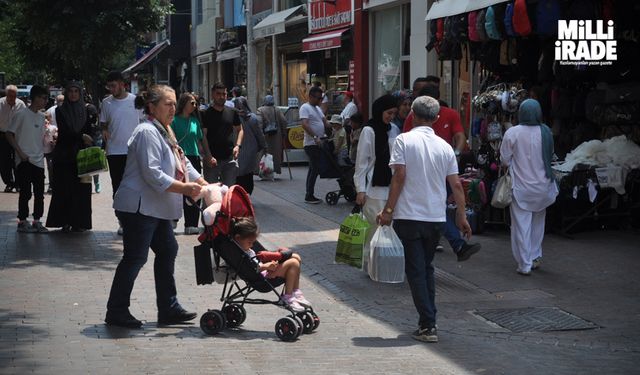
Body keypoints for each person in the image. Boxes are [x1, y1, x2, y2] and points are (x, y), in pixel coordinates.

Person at [105, 85, 207, 329]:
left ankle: (168, 308)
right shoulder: (146, 132)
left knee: (167, 250)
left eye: (174, 103)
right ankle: (117, 311)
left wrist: (202, 181)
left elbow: (181, 162)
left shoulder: (164, 129)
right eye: (167, 104)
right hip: (139, 208)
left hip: (156, 208)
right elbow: (153, 173)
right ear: (152, 106)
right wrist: (185, 189)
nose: (173, 108)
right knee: (135, 258)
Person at [377, 95, 472, 343]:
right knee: (426, 268)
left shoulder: (403, 141)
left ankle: (428, 324)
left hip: (409, 217)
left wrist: (388, 211)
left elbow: (398, 177)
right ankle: (429, 320)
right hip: (436, 218)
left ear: (412, 116)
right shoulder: (445, 147)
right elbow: (457, 186)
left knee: (417, 271)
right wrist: (461, 216)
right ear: (437, 118)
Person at [403, 86, 481, 261]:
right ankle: (452, 243)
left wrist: (455, 155)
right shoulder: (413, 117)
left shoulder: (448, 114)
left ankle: (448, 242)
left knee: (438, 207)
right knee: (438, 207)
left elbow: (460, 136)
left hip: (439, 168)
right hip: (431, 169)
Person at [500, 99, 558, 276]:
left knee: (521, 226)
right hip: (544, 186)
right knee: (538, 224)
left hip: (522, 188)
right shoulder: (546, 131)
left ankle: (524, 264)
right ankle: (535, 257)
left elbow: (504, 160)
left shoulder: (513, 132)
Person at [354, 94, 400, 275]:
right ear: (380, 111)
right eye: (388, 112)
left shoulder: (394, 129)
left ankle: (382, 264)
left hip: (391, 187)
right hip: (373, 189)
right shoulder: (369, 131)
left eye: (394, 113)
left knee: (388, 229)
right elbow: (362, 162)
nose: (391, 116)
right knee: (374, 228)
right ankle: (371, 265)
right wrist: (360, 190)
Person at [230, 216, 311, 312]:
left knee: (296, 257)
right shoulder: (238, 254)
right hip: (261, 279)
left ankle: (295, 292)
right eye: (249, 242)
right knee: (293, 262)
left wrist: (270, 264)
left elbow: (256, 263)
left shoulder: (247, 250)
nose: (251, 245)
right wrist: (266, 266)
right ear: (238, 238)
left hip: (265, 273)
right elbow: (249, 268)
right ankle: (287, 297)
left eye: (253, 242)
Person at [46, 82, 94, 232]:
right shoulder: (61, 111)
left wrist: (88, 137)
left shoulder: (86, 110)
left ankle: (79, 222)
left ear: (80, 93)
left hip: (81, 156)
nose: (73, 94)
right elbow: (65, 132)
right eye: (70, 91)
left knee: (81, 190)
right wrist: (81, 136)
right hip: (64, 155)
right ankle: (64, 221)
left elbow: (92, 130)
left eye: (76, 91)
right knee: (63, 189)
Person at [99, 71, 142, 235]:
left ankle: (135, 219)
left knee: (135, 186)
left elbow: (144, 121)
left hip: (133, 151)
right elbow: (103, 122)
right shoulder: (106, 103)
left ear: (122, 84)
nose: (111, 89)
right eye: (109, 86)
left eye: (113, 85)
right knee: (118, 187)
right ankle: (122, 221)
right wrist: (103, 130)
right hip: (114, 151)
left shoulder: (135, 100)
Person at [5, 85, 50, 233]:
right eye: (43, 98)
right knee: (25, 192)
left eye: (46, 98)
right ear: (35, 98)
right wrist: (20, 153)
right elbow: (9, 134)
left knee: (39, 193)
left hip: (38, 160)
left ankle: (37, 220)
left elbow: (42, 138)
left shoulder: (42, 117)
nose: (45, 101)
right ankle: (22, 221)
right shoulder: (21, 114)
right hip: (24, 160)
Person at [171, 92, 208, 234]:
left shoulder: (195, 121)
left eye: (196, 103)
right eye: (192, 103)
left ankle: (191, 224)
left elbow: (200, 140)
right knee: (178, 189)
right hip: (179, 157)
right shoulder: (174, 120)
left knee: (195, 190)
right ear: (184, 103)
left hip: (194, 157)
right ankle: (173, 221)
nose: (195, 106)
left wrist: (207, 155)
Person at [202, 82, 244, 187]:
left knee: (229, 193)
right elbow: (203, 136)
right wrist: (208, 156)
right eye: (218, 94)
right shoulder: (206, 113)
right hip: (212, 160)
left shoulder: (232, 112)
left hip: (229, 159)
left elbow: (240, 130)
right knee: (211, 193)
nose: (221, 97)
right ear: (212, 95)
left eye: (224, 94)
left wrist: (238, 146)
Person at [300, 86, 331, 204]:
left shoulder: (317, 108)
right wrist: (315, 137)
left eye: (321, 98)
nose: (320, 100)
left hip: (320, 141)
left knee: (313, 169)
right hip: (311, 144)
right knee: (315, 168)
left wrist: (332, 126)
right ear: (311, 97)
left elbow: (324, 121)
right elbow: (305, 124)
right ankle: (309, 195)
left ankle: (309, 193)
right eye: (318, 98)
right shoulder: (305, 107)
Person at [234, 97, 266, 194]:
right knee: (248, 172)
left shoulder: (233, 117)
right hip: (251, 149)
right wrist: (263, 146)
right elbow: (259, 133)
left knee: (238, 172)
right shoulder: (252, 117)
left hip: (237, 148)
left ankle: (239, 193)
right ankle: (247, 192)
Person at [0, 85, 27, 192]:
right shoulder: (0, 103)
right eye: (10, 95)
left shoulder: (21, 104)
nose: (12, 98)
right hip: (2, 135)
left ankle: (18, 183)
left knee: (17, 160)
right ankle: (9, 183)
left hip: (16, 136)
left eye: (14, 95)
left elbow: (25, 119)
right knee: (4, 161)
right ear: (6, 95)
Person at [256, 95, 288, 175]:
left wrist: (259, 135)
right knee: (275, 154)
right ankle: (274, 169)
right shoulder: (277, 109)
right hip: (276, 136)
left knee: (264, 154)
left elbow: (259, 124)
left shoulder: (260, 110)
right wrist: (284, 133)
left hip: (265, 136)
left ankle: (264, 171)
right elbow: (284, 121)